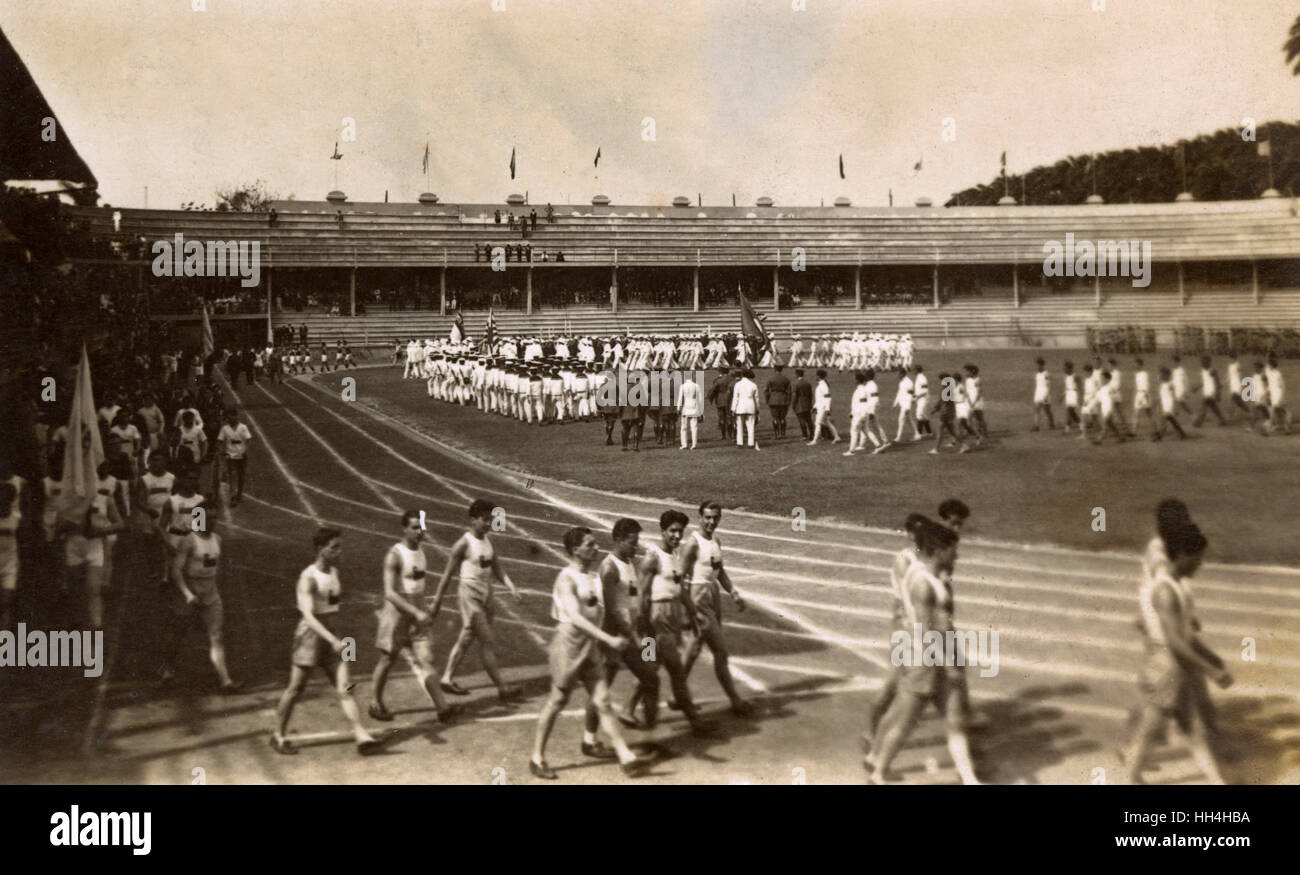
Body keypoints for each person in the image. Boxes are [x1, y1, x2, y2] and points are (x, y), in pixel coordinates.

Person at [529, 526, 655, 779]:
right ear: (576, 550)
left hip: (589, 646)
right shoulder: (566, 579)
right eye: (590, 544)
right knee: (557, 701)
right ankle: (537, 757)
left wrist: (627, 636)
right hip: (568, 645)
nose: (597, 548)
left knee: (603, 701)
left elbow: (612, 608)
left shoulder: (594, 577)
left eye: (595, 543)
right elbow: (575, 617)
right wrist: (608, 639)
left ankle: (625, 756)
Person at [866, 518, 980, 785]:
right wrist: (949, 666)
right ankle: (878, 771)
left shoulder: (933, 577)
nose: (957, 556)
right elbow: (926, 632)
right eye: (952, 550)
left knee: (955, 719)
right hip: (924, 662)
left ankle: (969, 778)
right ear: (938, 551)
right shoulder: (923, 585)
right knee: (905, 721)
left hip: (937, 657)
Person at [1122, 522, 1230, 784]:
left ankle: (1217, 782)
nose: (1200, 564)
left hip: (1177, 668)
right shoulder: (1165, 592)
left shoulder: (1178, 586)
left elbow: (1186, 635)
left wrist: (1211, 656)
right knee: (1150, 731)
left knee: (1192, 731)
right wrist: (1211, 670)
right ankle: (1129, 780)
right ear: (1181, 555)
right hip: (1166, 669)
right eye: (1197, 558)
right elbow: (1175, 642)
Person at [270, 527, 380, 755]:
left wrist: (368, 599)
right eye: (334, 547)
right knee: (295, 688)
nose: (339, 552)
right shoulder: (308, 578)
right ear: (320, 548)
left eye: (340, 547)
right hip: (310, 638)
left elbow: (333, 602)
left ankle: (361, 734)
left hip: (334, 636)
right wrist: (332, 639)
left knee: (346, 686)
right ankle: (278, 735)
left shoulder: (334, 573)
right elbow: (309, 616)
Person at [627, 509, 715, 736]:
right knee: (676, 671)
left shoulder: (675, 556)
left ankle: (630, 711)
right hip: (656, 621)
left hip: (669, 617)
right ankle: (694, 721)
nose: (677, 535)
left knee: (650, 670)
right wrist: (644, 631)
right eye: (672, 531)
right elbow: (642, 595)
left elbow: (680, 590)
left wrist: (694, 614)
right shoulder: (652, 558)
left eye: (680, 531)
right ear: (663, 531)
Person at [369, 511, 461, 724]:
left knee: (427, 659)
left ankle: (443, 709)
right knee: (387, 659)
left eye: (421, 527)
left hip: (417, 614)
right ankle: (375, 703)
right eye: (415, 527)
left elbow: (417, 587)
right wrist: (416, 612)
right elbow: (390, 593)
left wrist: (425, 607)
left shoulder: (421, 552)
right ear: (405, 529)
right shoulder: (394, 555)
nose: (420, 531)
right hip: (397, 615)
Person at [434, 499, 523, 701]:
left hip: (486, 594)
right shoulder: (463, 544)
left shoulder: (488, 542)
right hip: (469, 596)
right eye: (485, 519)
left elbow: (497, 568)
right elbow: (447, 574)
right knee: (487, 641)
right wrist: (437, 600)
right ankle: (503, 689)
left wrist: (511, 586)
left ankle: (446, 678)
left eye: (491, 520)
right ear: (473, 520)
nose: (489, 524)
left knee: (466, 638)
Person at [157, 500, 241, 692]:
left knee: (217, 636)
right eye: (207, 518)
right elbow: (176, 570)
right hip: (189, 595)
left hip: (210, 596)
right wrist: (187, 593)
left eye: (214, 518)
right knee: (178, 634)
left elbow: (216, 568)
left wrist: (213, 591)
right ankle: (167, 669)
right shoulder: (189, 540)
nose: (212, 522)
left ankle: (225, 681)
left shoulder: (217, 540)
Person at [680, 501, 754, 717]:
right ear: (700, 518)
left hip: (712, 595)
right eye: (707, 517)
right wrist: (687, 608)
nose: (711, 522)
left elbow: (719, 571)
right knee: (720, 651)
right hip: (698, 597)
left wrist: (733, 592)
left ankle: (678, 695)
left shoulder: (715, 541)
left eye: (715, 517)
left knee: (693, 650)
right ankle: (735, 700)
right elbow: (679, 577)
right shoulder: (692, 544)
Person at [216, 409, 252, 507]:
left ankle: (239, 494)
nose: (231, 418)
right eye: (229, 416)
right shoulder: (225, 429)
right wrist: (222, 451)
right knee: (232, 476)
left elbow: (248, 440)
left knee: (242, 476)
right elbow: (219, 441)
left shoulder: (243, 427)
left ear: (236, 416)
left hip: (242, 456)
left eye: (233, 416)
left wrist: (246, 451)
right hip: (230, 456)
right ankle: (233, 497)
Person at [807, 369, 842, 445]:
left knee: (818, 423)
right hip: (821, 407)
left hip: (823, 408)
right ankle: (837, 437)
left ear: (819, 376)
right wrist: (815, 407)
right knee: (827, 422)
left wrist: (827, 409)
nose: (815, 377)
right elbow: (819, 398)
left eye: (816, 375)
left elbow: (828, 398)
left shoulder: (823, 386)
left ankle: (814, 440)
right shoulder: (821, 385)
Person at [1192, 355, 1226, 428]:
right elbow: (1204, 382)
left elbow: (1217, 382)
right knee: (1214, 407)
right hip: (1206, 391)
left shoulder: (1212, 371)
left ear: (1208, 362)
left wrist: (1218, 393)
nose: (1202, 363)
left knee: (1204, 406)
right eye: (1202, 362)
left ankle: (1198, 422)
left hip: (1211, 392)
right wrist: (1197, 387)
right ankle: (1222, 420)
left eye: (1204, 362)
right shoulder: (1203, 371)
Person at [730, 368, 759, 449]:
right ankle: (751, 443)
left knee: (739, 426)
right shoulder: (753, 385)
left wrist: (733, 409)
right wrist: (757, 409)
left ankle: (740, 442)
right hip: (750, 406)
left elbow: (735, 398)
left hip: (740, 407)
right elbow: (756, 399)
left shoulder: (738, 384)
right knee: (750, 426)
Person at [677, 373, 704, 450]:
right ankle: (694, 444)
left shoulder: (682, 386)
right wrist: (701, 411)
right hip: (694, 406)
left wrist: (678, 408)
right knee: (694, 427)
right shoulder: (696, 386)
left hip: (686, 407)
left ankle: (684, 444)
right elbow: (700, 399)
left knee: (683, 427)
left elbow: (680, 398)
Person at [765, 364, 791, 439]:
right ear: (781, 369)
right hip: (783, 400)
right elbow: (789, 392)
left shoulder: (771, 379)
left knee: (775, 418)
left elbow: (766, 391)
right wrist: (788, 401)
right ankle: (783, 434)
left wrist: (767, 400)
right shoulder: (786, 379)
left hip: (773, 400)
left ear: (774, 369)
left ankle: (776, 435)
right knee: (782, 418)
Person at [1031, 358, 1054, 431]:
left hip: (1045, 393)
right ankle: (1036, 426)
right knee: (1037, 409)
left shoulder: (1046, 374)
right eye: (1036, 365)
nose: (1037, 366)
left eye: (1038, 365)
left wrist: (1047, 394)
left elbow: (1049, 385)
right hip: (1038, 393)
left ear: (1042, 365)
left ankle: (1051, 423)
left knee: (1047, 410)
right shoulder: (1037, 374)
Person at [792, 368, 814, 440]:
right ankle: (812, 434)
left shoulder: (796, 384)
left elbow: (795, 396)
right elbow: (810, 395)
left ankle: (804, 435)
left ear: (797, 375)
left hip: (799, 404)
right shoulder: (808, 384)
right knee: (809, 420)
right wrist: (810, 403)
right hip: (807, 403)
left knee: (801, 420)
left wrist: (793, 404)